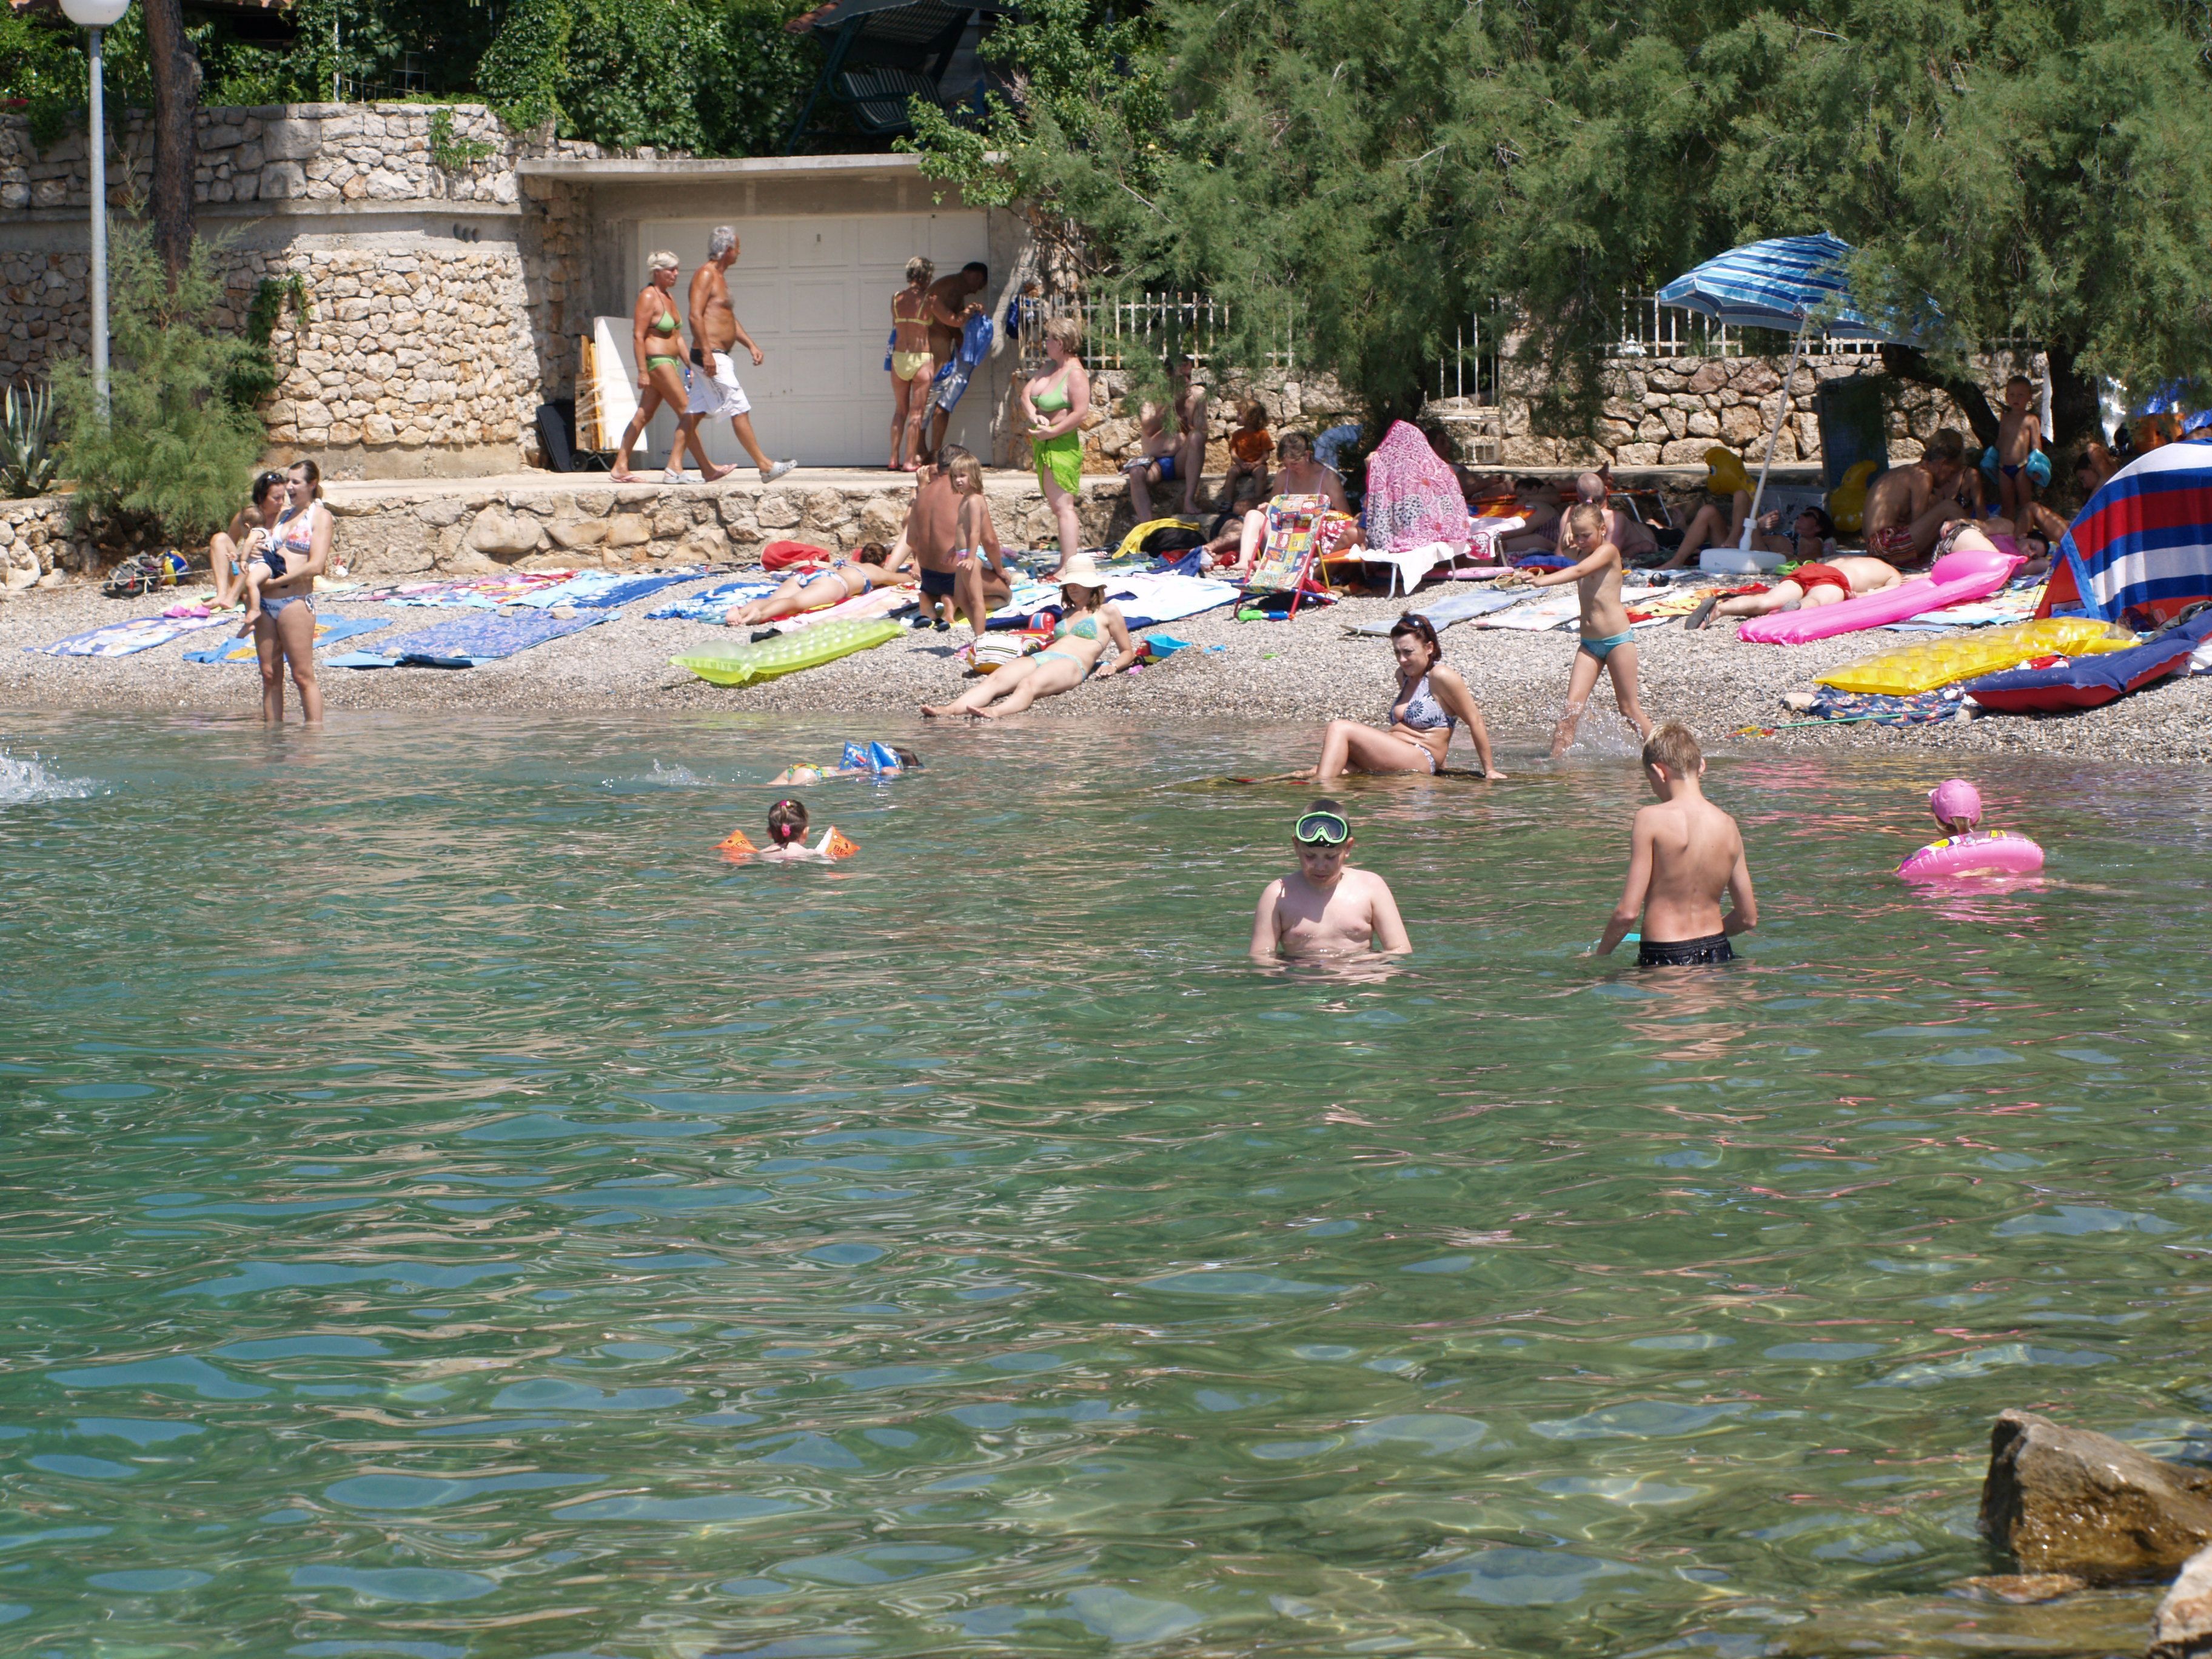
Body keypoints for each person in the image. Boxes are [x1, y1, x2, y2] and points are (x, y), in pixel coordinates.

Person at [1595, 723, 1756, 967]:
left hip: (1664, 953)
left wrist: (1599, 956)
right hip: (1718, 952)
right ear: (1701, 765)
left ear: (1659, 772)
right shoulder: (1728, 825)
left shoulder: (1649, 819)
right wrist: (1702, 938)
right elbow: (1747, 918)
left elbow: (1627, 913)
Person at [920, 552, 1138, 718]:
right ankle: (949, 710)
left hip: (1073, 664)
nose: (1072, 588)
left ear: (1092, 585)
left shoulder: (1108, 612)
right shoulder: (1067, 613)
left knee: (1028, 684)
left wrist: (1114, 666)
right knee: (995, 679)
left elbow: (1128, 651)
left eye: (1077, 583)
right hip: (1043, 657)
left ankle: (997, 712)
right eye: (1069, 584)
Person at [1526, 501, 1653, 758]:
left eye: (1587, 535)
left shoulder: (1609, 552)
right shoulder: (1581, 552)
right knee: (1570, 711)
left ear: (1603, 529)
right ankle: (1554, 768)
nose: (1582, 541)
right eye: (1578, 535)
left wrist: (1542, 581)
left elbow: (1579, 570)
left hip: (1617, 641)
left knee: (1629, 709)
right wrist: (1567, 531)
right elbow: (1566, 551)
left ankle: (1666, 756)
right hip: (1589, 644)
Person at [1308, 613, 1502, 779]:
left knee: (1339, 727)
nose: (1402, 660)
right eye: (1397, 652)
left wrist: (1490, 770)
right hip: (1396, 753)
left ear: (1429, 648)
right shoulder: (1403, 676)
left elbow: (1475, 721)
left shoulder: (1441, 676)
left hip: (1421, 757)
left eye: (1408, 652)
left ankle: (1323, 797)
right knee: (1319, 771)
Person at [686, 226, 797, 485]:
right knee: (739, 407)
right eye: (737, 247)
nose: (740, 252)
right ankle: (765, 466)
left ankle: (675, 466)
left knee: (694, 413)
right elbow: (695, 315)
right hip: (710, 355)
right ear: (726, 250)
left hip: (716, 353)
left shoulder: (721, 278)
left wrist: (751, 345)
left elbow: (728, 320)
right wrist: (706, 353)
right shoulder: (705, 274)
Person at [612, 252, 728, 484]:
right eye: (671, 270)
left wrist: (692, 365)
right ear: (657, 271)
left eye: (677, 269)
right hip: (657, 362)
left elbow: (677, 337)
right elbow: (638, 335)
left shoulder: (668, 296)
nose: (676, 274)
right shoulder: (648, 296)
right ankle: (705, 468)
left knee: (644, 414)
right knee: (688, 410)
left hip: (670, 362)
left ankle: (620, 466)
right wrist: (642, 371)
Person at [1248, 800, 1412, 961]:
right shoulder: (1277, 895)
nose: (1320, 866)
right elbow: (1261, 958)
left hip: (1360, 981)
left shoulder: (1371, 887)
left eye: (1331, 857)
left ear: (1348, 848)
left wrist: (1366, 971)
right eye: (1310, 856)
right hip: (1301, 982)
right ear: (1296, 846)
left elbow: (1400, 950)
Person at [899, 443, 1010, 636]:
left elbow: (912, 541)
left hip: (928, 578)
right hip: (954, 575)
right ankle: (955, 602)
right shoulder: (966, 495)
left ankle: (931, 597)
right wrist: (1000, 570)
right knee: (1005, 595)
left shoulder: (922, 494)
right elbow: (989, 540)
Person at [254, 460, 333, 723]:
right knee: (268, 674)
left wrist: (277, 582)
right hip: (265, 604)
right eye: (288, 481)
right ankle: (272, 741)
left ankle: (313, 739)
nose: (289, 487)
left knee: (302, 675)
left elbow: (315, 565)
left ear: (312, 484)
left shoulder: (319, 517)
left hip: (294, 601)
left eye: (296, 482)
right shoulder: (283, 516)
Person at [1224, 429, 1358, 579]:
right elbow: (1275, 507)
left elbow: (1345, 517)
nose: (1291, 469)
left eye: (1295, 464)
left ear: (1307, 455)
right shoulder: (1284, 475)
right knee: (1253, 515)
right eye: (1287, 465)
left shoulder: (1328, 477)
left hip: (1312, 535)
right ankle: (1244, 561)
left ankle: (1279, 565)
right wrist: (1268, 509)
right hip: (1285, 533)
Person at [1023, 315, 1092, 575]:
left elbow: (1080, 413)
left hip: (1061, 445)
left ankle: (1068, 566)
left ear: (1061, 343)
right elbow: (1026, 395)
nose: (1045, 344)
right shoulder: (1050, 366)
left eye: (1049, 339)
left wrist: (1052, 432)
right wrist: (1034, 415)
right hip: (1044, 443)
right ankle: (1065, 561)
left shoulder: (1075, 374)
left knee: (1064, 507)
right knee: (1056, 506)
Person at [725, 542, 912, 629]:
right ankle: (761, 615)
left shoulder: (848, 562)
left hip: (815, 575)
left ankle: (740, 610)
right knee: (794, 603)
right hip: (833, 584)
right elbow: (901, 579)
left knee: (773, 599)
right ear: (881, 562)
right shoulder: (874, 570)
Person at [1692, 549, 1903, 626]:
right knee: (1816, 601)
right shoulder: (1891, 571)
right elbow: (1894, 591)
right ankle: (1795, 610)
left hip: (1809, 569)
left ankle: (1720, 609)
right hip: (1837, 579)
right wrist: (1865, 594)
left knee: (1765, 600)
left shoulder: (1850, 557)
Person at [1861, 429, 1969, 566]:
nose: (1950, 479)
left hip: (1876, 547)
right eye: (1952, 472)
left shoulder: (1908, 471)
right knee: (1949, 506)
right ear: (1943, 463)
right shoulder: (1923, 476)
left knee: (1935, 504)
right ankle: (1978, 547)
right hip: (1885, 547)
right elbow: (1921, 524)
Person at [922, 261, 990, 463]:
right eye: (980, 284)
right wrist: (967, 315)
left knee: (935, 402)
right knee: (935, 401)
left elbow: (952, 324)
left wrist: (960, 338)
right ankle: (927, 451)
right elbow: (952, 320)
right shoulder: (951, 287)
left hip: (942, 344)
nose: (978, 290)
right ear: (974, 276)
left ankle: (929, 450)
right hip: (935, 344)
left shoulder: (956, 291)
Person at [942, 447, 1012, 637]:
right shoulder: (966, 499)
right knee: (961, 599)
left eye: (963, 476)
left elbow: (975, 532)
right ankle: (979, 634)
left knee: (976, 600)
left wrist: (972, 557)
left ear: (973, 476)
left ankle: (980, 640)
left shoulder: (974, 500)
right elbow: (962, 530)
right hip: (963, 555)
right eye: (955, 476)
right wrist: (953, 549)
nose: (958, 480)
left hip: (970, 556)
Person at [1657, 449, 1753, 569]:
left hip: (1756, 549)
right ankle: (1676, 561)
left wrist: (1760, 524)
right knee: (1708, 511)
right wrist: (1684, 528)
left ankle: (1733, 539)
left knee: (1741, 494)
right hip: (1730, 547)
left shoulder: (1757, 496)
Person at [207, 469, 288, 609]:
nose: (281, 502)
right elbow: (228, 550)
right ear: (261, 497)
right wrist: (243, 555)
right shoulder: (246, 517)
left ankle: (234, 596)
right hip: (247, 570)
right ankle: (222, 594)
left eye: (283, 497)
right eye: (276, 498)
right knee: (219, 539)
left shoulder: (287, 516)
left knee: (258, 557)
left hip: (272, 572)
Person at [887, 255, 939, 472]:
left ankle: (893, 459)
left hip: (899, 357)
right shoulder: (929, 300)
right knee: (916, 413)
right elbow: (948, 321)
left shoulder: (896, 299)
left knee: (900, 411)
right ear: (926, 276)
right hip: (921, 358)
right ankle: (910, 461)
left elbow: (895, 326)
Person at [1558, 471, 1658, 564]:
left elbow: (1560, 555)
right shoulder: (1615, 519)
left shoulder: (1570, 513)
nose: (1581, 540)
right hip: (1647, 537)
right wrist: (1637, 548)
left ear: (1579, 499)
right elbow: (1609, 560)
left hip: (1649, 538)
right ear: (1607, 491)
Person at [1121, 398, 1182, 522]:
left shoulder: (1191, 398)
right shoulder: (1148, 401)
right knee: (1136, 473)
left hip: (1182, 460)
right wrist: (1166, 404)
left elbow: (1200, 431)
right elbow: (1150, 429)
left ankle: (1189, 501)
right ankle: (1147, 525)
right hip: (1156, 462)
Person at [1993, 374, 2043, 526]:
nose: (2016, 398)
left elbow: (2036, 445)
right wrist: (1991, 459)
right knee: (2007, 504)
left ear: (2029, 397)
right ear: (2007, 396)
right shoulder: (2005, 417)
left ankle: (2026, 531)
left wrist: (2038, 467)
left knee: (2025, 503)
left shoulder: (2031, 419)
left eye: (2021, 395)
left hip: (2022, 466)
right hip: (2003, 467)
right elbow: (2000, 440)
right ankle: (2007, 534)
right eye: (2012, 395)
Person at [1494, 475, 1566, 558]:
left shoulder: (1544, 489)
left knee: (1499, 539)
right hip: (1546, 536)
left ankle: (1489, 535)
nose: (1519, 498)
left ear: (1534, 489)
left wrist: (1526, 498)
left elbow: (1555, 498)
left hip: (1549, 529)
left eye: (1521, 495)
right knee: (1500, 547)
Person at [1746, 503, 1837, 563]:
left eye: (1807, 515)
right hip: (1753, 547)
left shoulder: (1813, 540)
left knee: (1743, 497)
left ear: (1819, 527)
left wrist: (1784, 560)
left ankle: (1754, 525)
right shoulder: (1795, 535)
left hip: (1761, 553)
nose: (1800, 516)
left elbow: (1815, 556)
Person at [1226, 400, 1274, 498]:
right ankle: (1227, 500)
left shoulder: (1262, 434)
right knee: (1231, 472)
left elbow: (1266, 455)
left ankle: (1258, 499)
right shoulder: (1237, 435)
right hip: (1241, 465)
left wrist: (1255, 464)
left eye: (1240, 414)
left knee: (1261, 473)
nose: (1237, 416)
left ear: (1251, 417)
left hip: (1258, 465)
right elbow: (1233, 453)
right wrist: (1240, 463)